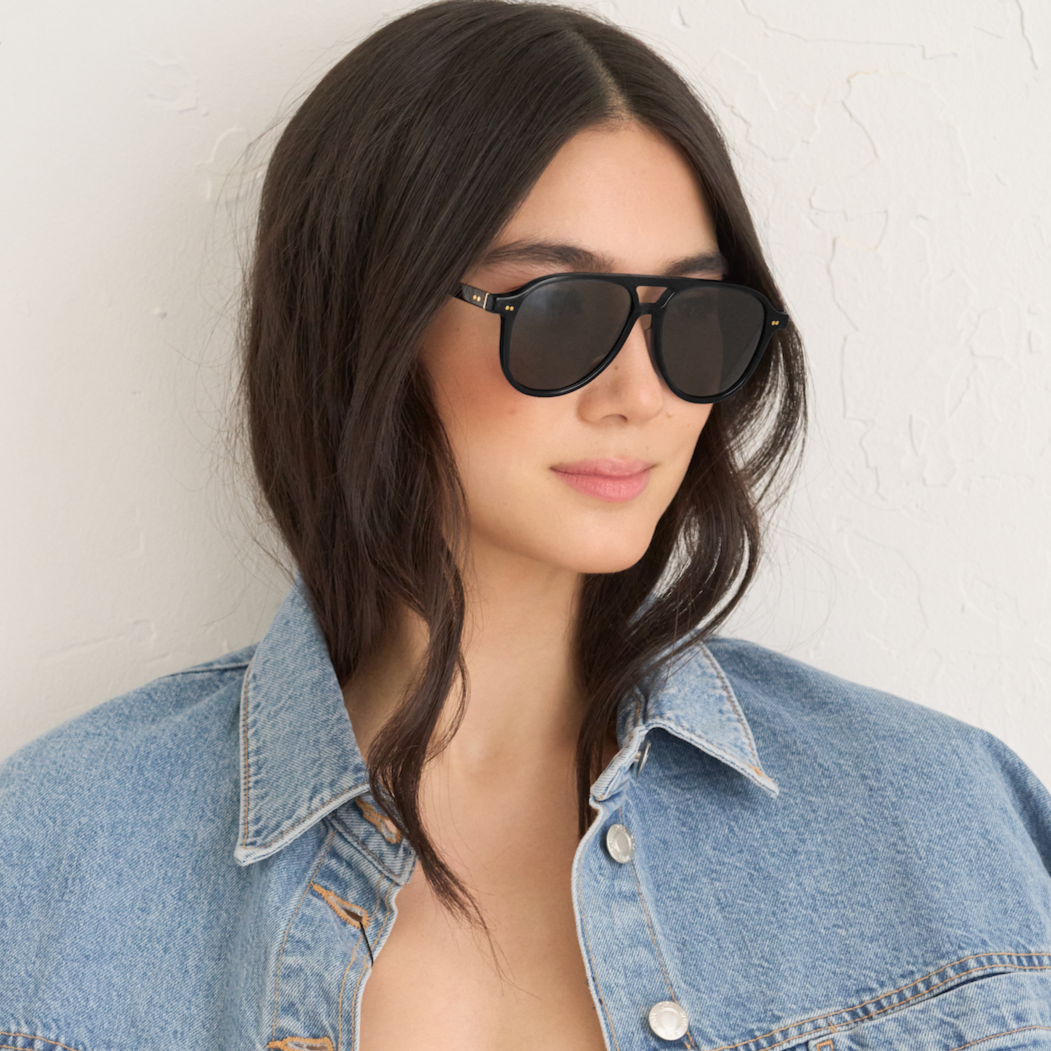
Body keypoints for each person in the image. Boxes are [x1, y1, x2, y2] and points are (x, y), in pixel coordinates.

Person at [2, 1, 1050, 1048]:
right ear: (369, 325)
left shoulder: (942, 819)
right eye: (561, 310)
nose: (640, 395)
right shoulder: (56, 857)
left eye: (692, 316)